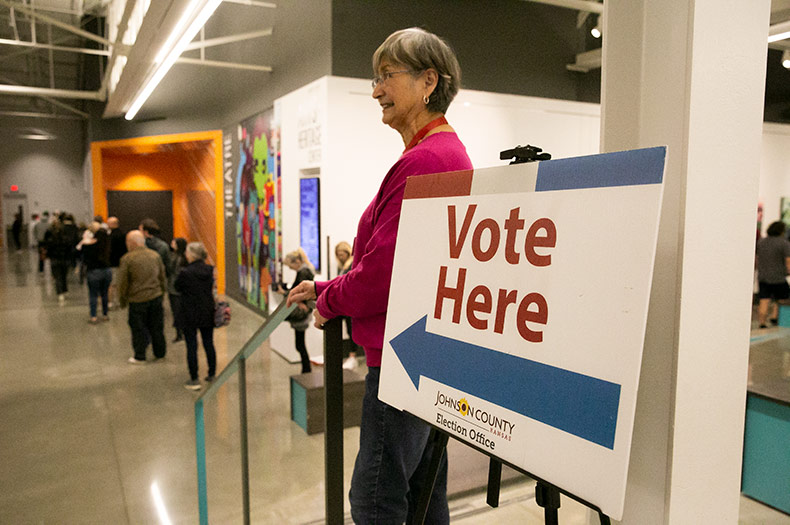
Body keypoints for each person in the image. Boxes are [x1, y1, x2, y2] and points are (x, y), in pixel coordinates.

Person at [287, 27, 471, 524]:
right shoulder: (443, 155)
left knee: (374, 500)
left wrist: (327, 304)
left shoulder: (425, 161)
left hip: (400, 359)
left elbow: (381, 277)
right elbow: (394, 264)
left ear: (428, 81)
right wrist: (325, 287)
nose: (375, 90)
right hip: (426, 352)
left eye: (387, 76)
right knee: (423, 491)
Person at [118, 230, 167, 363]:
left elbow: (123, 282)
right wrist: (162, 292)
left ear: (131, 243)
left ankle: (140, 355)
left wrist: (122, 300)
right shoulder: (155, 255)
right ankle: (160, 352)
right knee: (157, 327)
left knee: (138, 328)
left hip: (137, 299)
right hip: (155, 296)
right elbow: (162, 276)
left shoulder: (127, 259)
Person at [174, 242, 217, 390]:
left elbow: (177, 287)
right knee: (208, 343)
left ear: (192, 254)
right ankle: (212, 373)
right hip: (207, 310)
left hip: (189, 312)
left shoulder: (185, 272)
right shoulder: (210, 270)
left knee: (191, 345)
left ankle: (194, 378)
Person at [279, 248, 316, 374]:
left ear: (297, 262)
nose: (291, 269)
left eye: (291, 266)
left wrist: (286, 293)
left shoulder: (303, 272)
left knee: (300, 345)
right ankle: (306, 370)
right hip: (304, 310)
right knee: (299, 344)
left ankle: (306, 370)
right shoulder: (306, 271)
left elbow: (300, 291)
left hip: (302, 312)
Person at [755, 220, 790, 328]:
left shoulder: (761, 242)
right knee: (782, 299)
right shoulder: (784, 243)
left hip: (763, 276)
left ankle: (762, 322)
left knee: (763, 299)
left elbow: (756, 258)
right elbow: (788, 261)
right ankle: (775, 318)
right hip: (779, 277)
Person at [335, 241, 361, 370]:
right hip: (345, 303)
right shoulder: (342, 267)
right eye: (338, 255)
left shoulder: (351, 265)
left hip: (351, 303)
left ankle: (353, 355)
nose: (340, 257)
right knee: (349, 329)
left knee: (352, 330)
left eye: (342, 254)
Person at [82, 221, 112, 323]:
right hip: (107, 271)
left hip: (93, 271)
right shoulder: (107, 247)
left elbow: (84, 259)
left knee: (93, 294)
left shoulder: (88, 246)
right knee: (104, 294)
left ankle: (93, 316)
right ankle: (105, 314)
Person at [44, 214, 77, 305]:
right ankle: (65, 289)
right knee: (63, 275)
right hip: (65, 259)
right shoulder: (65, 238)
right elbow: (69, 247)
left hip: (54, 259)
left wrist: (48, 255)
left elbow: (47, 247)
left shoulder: (50, 238)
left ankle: (60, 293)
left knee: (57, 276)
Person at [168, 237, 188, 342]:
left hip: (174, 288)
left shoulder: (175, 257)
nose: (171, 243)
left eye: (173, 242)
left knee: (176, 311)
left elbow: (171, 270)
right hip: (182, 288)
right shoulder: (185, 257)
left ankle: (179, 333)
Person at [107, 216, 127, 308]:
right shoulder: (123, 234)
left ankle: (111, 302)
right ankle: (120, 301)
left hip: (113, 262)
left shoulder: (111, 236)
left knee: (112, 284)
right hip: (122, 262)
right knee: (120, 283)